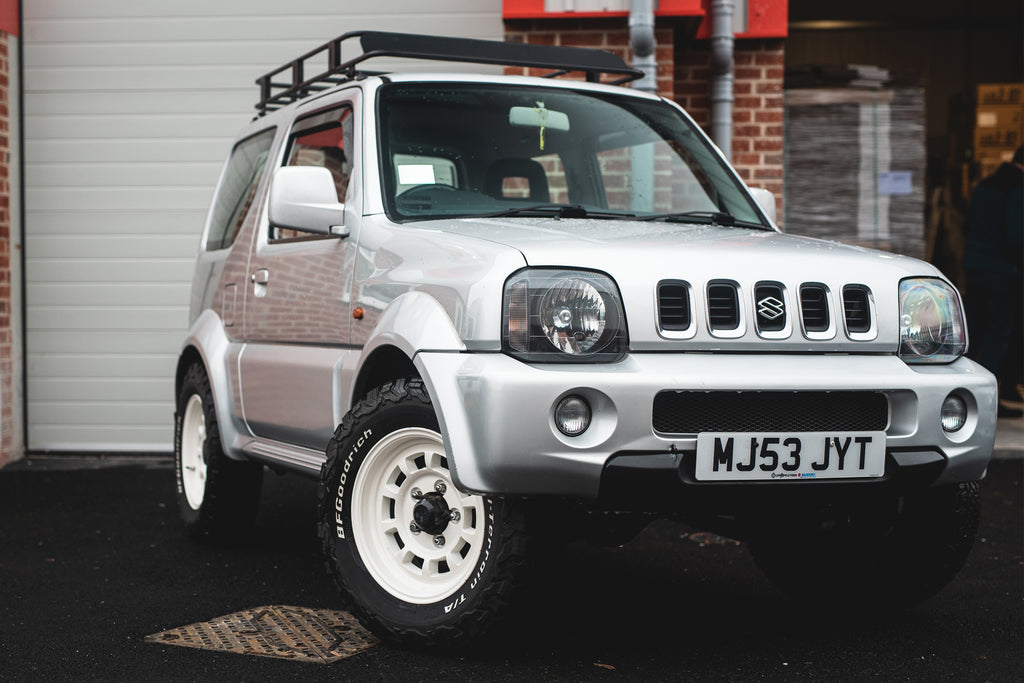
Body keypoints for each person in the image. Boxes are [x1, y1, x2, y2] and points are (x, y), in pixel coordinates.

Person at [962, 146, 1023, 417]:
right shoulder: (1017, 188)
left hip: (975, 268)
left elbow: (968, 225)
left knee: (976, 330)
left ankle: (966, 392)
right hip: (1003, 271)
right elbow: (1016, 236)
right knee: (998, 335)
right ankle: (988, 401)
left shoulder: (985, 185)